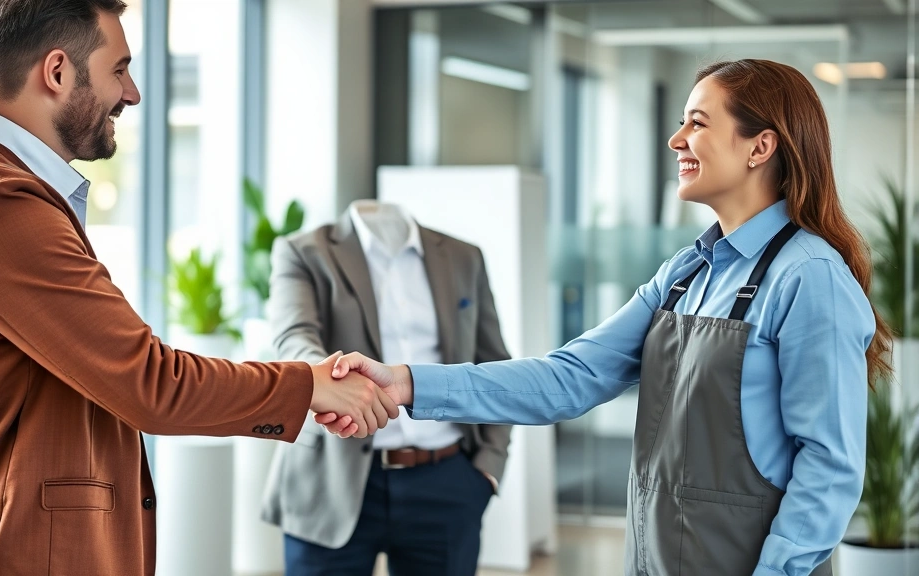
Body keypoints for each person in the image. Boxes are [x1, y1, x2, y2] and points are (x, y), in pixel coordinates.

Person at [320, 59, 892, 576]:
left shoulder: (808, 277)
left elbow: (829, 468)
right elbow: (567, 377)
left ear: (760, 147)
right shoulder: (685, 274)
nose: (676, 139)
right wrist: (406, 383)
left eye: (697, 123)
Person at [0, 1, 395, 574]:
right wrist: (308, 385)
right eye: (119, 69)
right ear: (56, 71)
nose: (131, 94)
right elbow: (150, 383)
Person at [261, 201, 512, 576]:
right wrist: (329, 377)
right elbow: (293, 338)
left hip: (446, 479)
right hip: (330, 478)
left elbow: (494, 363)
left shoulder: (464, 256)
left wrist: (488, 468)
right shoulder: (304, 250)